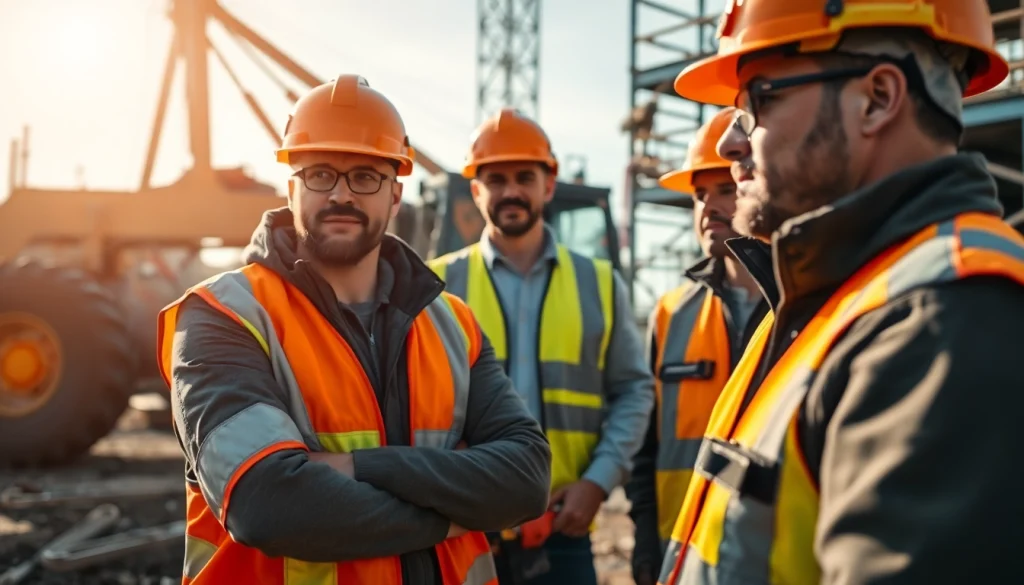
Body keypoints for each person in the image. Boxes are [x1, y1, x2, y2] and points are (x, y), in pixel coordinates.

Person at [655, 2, 1024, 584]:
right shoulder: (829, 296)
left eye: (759, 101)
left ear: (877, 99)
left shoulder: (946, 320)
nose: (728, 144)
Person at [156, 75, 553, 585]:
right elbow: (267, 504)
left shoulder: (454, 325)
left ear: (395, 195)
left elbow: (526, 478)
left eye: (365, 176)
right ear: (292, 187)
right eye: (320, 174)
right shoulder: (223, 315)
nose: (341, 194)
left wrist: (359, 468)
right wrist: (456, 515)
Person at [428, 108, 655, 585]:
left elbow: (634, 391)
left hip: (563, 526)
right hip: (462, 529)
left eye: (524, 178)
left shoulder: (599, 284)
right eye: (496, 179)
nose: (511, 191)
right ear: (476, 191)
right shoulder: (435, 285)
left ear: (548, 185)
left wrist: (598, 482)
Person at [625, 107, 771, 585]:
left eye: (724, 189)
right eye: (699, 194)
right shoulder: (671, 313)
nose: (709, 207)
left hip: (768, 556)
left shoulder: (804, 308)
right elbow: (647, 448)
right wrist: (646, 539)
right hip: (681, 550)